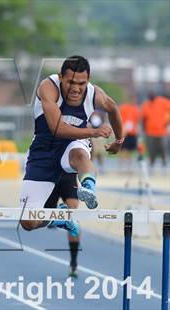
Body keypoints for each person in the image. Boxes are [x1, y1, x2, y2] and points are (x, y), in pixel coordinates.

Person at [20, 55, 123, 236]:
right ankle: (58, 217)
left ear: (88, 80)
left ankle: (89, 186)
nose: (76, 89)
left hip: (72, 146)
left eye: (81, 84)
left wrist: (119, 141)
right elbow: (57, 128)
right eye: (71, 82)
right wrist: (93, 132)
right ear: (61, 78)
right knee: (28, 221)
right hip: (43, 151)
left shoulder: (95, 94)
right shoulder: (48, 87)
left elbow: (113, 108)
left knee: (80, 154)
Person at [21, 173, 81, 278]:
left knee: (72, 213)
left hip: (68, 176)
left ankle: (73, 263)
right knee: (32, 221)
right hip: (49, 175)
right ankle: (54, 219)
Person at [141, 92, 170, 168]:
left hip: (162, 132)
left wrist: (167, 121)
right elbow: (143, 118)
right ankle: (151, 165)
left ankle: (164, 165)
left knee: (163, 149)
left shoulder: (163, 102)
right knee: (151, 150)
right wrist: (143, 129)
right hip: (150, 132)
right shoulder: (146, 104)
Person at [119, 99, 141, 172]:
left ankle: (129, 167)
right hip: (125, 132)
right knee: (123, 150)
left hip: (132, 133)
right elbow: (120, 119)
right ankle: (122, 167)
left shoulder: (136, 109)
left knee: (131, 150)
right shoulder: (124, 108)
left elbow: (138, 120)